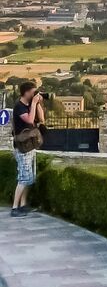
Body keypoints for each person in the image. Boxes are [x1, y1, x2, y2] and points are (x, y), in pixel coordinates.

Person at [11, 79, 45, 218]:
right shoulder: (19, 107)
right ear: (26, 93)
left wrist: (37, 104)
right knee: (23, 178)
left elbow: (41, 119)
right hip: (22, 148)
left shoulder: (30, 104)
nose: (34, 94)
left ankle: (23, 205)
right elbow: (30, 121)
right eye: (32, 92)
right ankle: (15, 208)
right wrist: (34, 103)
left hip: (30, 145)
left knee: (29, 178)